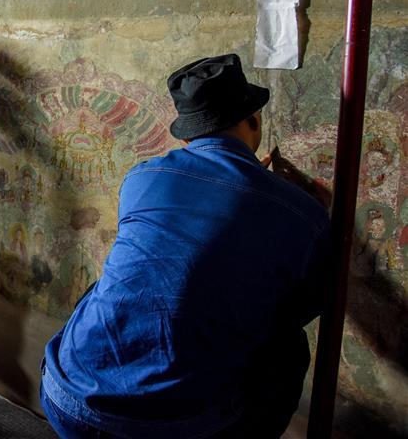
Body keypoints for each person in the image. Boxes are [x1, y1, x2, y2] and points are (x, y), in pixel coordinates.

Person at [41, 54, 331, 438]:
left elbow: (193, 219)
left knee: (112, 286)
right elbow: (309, 302)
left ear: (186, 136)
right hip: (166, 428)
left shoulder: (141, 177)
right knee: (288, 343)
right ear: (255, 122)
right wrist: (292, 204)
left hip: (67, 398)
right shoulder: (299, 211)